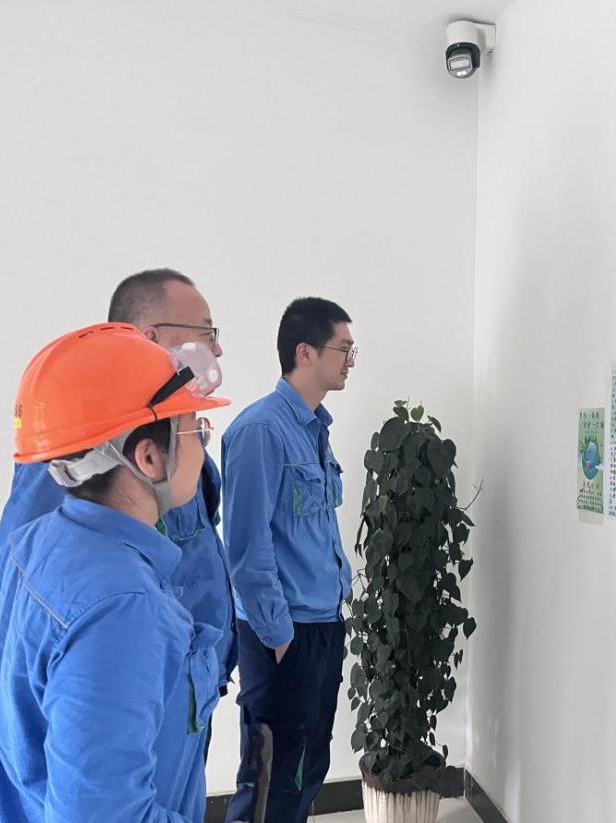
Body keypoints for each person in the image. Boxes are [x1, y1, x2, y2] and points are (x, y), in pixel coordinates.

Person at [0, 322, 229, 821]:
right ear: (149, 457)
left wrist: (31, 767)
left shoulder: (34, 545)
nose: (202, 444)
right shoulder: (124, 607)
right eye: (195, 429)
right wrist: (55, 783)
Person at [0, 268, 237, 706]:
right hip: (135, 694)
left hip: (188, 690)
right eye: (206, 332)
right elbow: (18, 586)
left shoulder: (178, 440)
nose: (216, 348)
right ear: (152, 337)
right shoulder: (83, 444)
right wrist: (22, 736)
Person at [223, 297, 356, 823]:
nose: (350, 361)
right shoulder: (260, 430)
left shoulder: (314, 429)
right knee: (270, 776)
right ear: (305, 352)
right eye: (343, 349)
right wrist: (278, 635)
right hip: (282, 633)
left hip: (322, 623)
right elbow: (245, 547)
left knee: (308, 765)